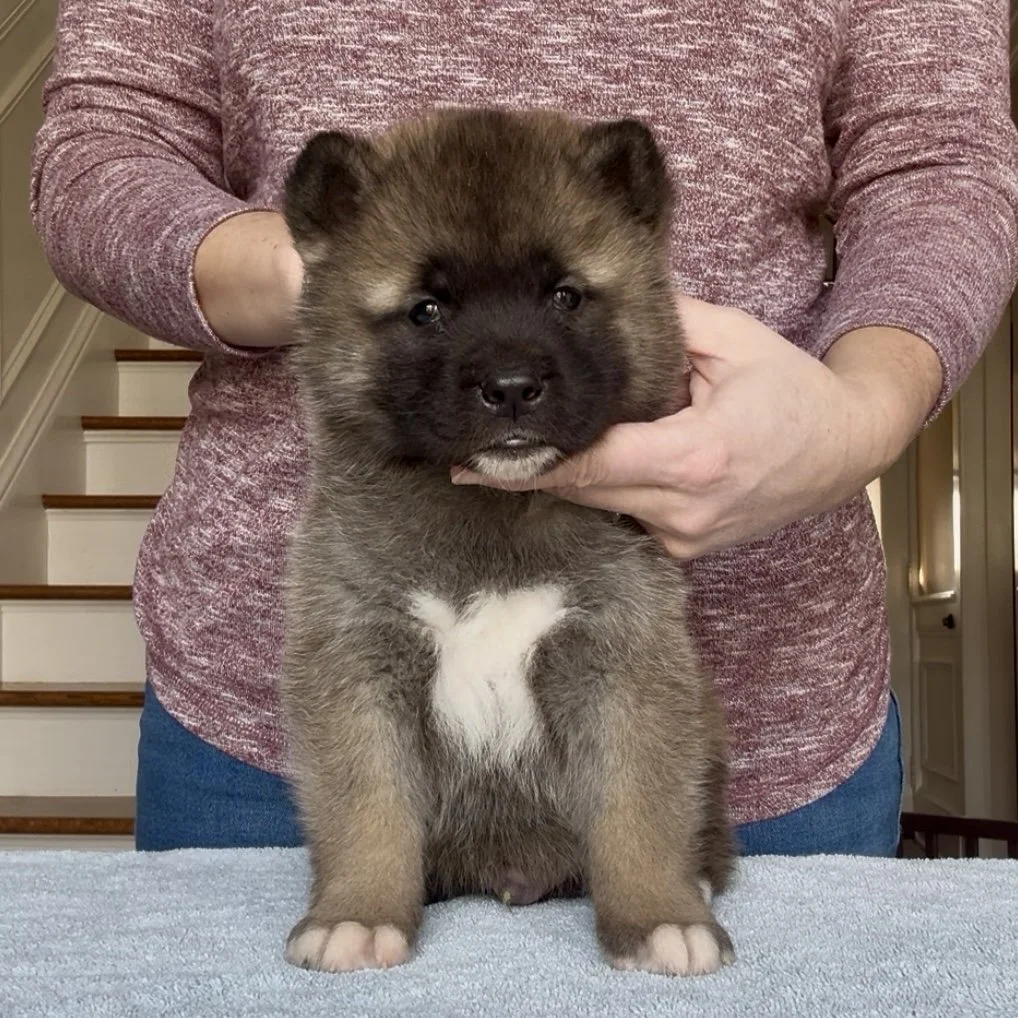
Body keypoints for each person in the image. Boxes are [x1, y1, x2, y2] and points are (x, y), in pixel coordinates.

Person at [31, 1, 1018, 856]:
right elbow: (106, 147)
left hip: (750, 721)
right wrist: (337, 269)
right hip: (294, 727)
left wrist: (860, 411)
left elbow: (939, 162)